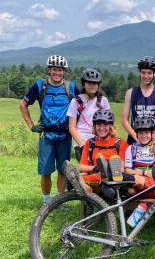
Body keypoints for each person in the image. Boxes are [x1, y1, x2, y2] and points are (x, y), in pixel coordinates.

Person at [19, 55, 79, 205]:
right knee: (45, 171)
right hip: (47, 135)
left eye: (59, 70)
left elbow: (83, 106)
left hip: (65, 135)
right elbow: (23, 105)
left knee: (62, 170)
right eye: (54, 69)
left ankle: (60, 201)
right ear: (49, 70)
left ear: (63, 71)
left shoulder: (70, 87)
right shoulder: (40, 86)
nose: (57, 73)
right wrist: (31, 125)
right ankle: (46, 201)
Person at [78, 109, 128, 194]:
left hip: (115, 178)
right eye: (98, 125)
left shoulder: (120, 143)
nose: (101, 128)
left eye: (105, 125)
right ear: (94, 126)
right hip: (96, 178)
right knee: (94, 178)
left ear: (110, 126)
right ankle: (102, 173)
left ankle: (108, 171)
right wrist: (94, 168)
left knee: (113, 174)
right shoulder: (90, 143)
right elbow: (82, 167)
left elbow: (123, 168)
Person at [67, 68, 110, 161]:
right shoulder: (76, 101)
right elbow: (72, 127)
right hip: (81, 140)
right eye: (89, 83)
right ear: (84, 84)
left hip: (99, 140)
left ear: (98, 85)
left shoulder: (103, 100)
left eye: (94, 83)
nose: (92, 85)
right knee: (87, 170)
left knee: (103, 170)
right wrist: (82, 146)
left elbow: (109, 123)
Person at [124, 117, 155, 198]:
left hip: (153, 181)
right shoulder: (131, 148)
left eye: (146, 132)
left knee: (138, 182)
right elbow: (127, 170)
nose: (144, 136)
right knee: (131, 191)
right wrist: (143, 173)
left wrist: (144, 174)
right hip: (137, 180)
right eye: (141, 133)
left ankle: (117, 177)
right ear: (137, 134)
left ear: (151, 133)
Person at [122, 57, 155, 145]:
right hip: (134, 140)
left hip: (154, 142)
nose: (146, 76)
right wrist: (137, 138)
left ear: (154, 74)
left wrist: (152, 138)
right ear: (140, 73)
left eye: (149, 73)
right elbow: (124, 120)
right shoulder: (130, 93)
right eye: (143, 73)